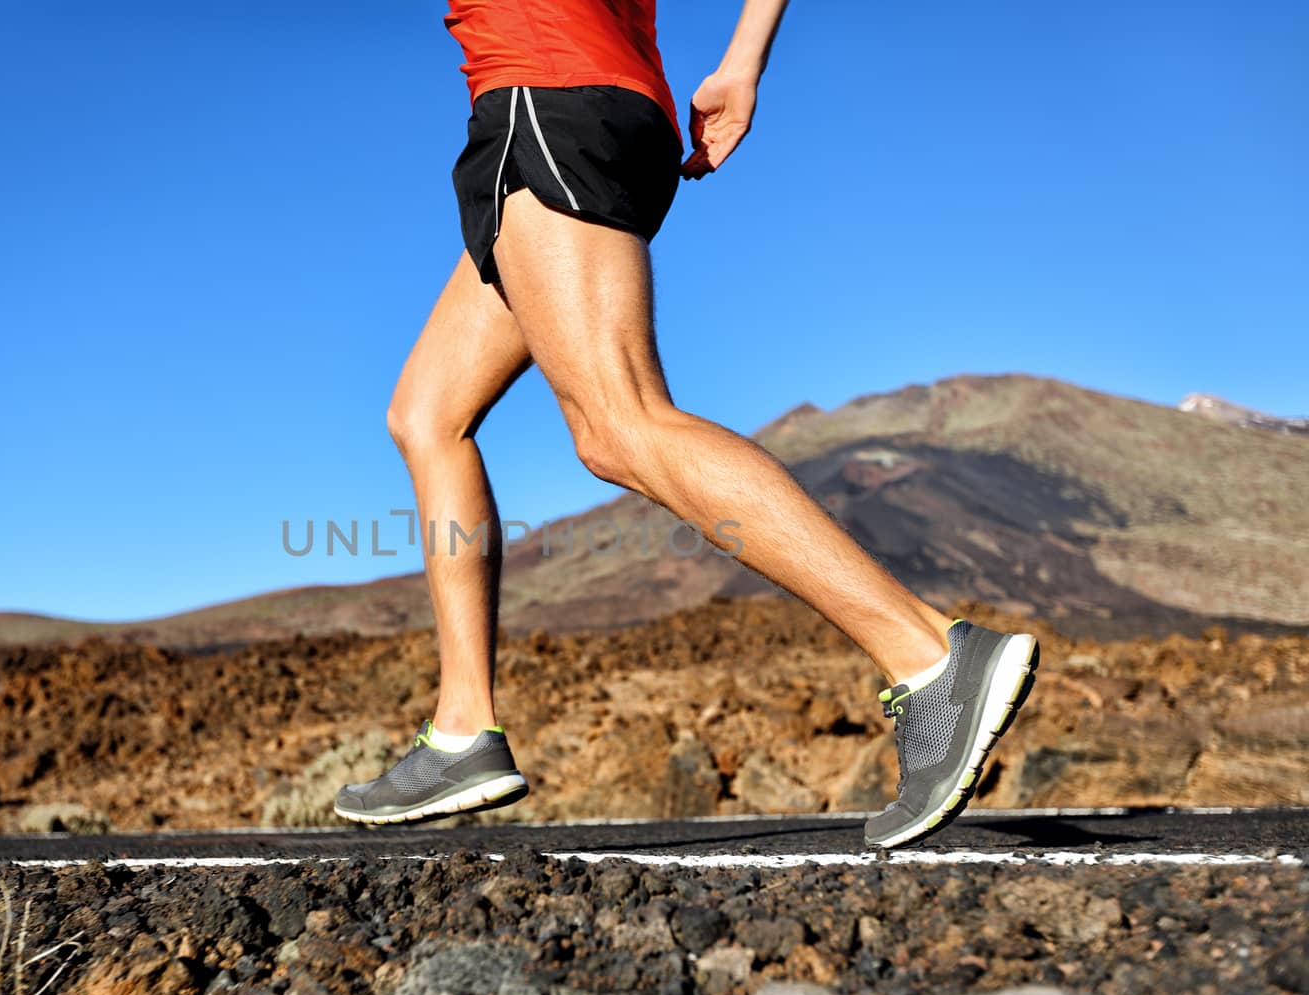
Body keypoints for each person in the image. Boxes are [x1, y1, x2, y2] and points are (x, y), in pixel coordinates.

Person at [334, 0, 1040, 849]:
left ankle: (929, 658)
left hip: (545, 97)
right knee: (427, 412)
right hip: (590, 109)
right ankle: (461, 728)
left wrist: (742, 64)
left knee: (619, 419)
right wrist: (744, 61)